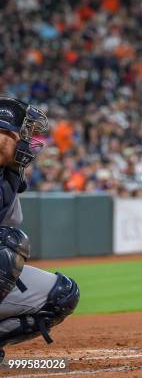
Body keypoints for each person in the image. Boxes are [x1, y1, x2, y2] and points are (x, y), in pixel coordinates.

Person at [0, 97, 80, 362]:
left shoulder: (10, 172)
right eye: (20, 133)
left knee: (62, 295)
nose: (27, 141)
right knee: (9, 245)